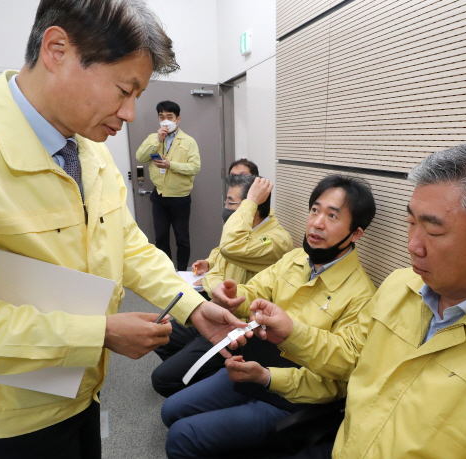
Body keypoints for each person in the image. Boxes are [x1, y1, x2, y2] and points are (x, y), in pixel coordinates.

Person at [0, 2, 248, 458]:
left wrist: (192, 306)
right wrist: (98, 334)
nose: (132, 113)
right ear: (57, 49)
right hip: (8, 419)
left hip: (81, 390)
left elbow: (128, 245)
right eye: (123, 89)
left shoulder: (87, 148)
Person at [248, 142, 466, 459]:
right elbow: (352, 359)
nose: (413, 245)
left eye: (433, 231)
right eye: (411, 222)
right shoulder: (400, 285)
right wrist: (292, 332)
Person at [161, 175, 377, 459]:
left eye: (332, 216)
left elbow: (341, 374)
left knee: (181, 437)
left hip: (291, 394)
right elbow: (255, 291)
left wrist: (267, 375)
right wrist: (234, 295)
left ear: (356, 233)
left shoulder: (361, 295)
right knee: (170, 411)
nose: (317, 223)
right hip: (252, 365)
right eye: (315, 210)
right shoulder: (295, 258)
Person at [152, 174, 293, 397]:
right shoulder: (239, 229)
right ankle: (200, 375)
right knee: (160, 334)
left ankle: (212, 379)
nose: (226, 208)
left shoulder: (276, 240)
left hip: (237, 328)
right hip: (215, 309)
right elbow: (215, 268)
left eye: (231, 202)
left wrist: (249, 203)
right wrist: (215, 288)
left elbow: (229, 248)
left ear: (252, 206)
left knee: (162, 380)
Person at [136, 100, 200, 271]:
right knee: (161, 238)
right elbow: (140, 157)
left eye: (169, 117)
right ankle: (167, 272)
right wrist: (157, 140)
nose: (165, 121)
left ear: (178, 119)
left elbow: (195, 167)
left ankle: (181, 273)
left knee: (182, 239)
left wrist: (171, 165)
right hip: (159, 197)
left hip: (180, 197)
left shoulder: (188, 141)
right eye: (161, 117)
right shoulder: (153, 138)